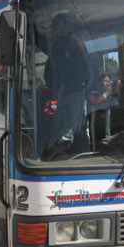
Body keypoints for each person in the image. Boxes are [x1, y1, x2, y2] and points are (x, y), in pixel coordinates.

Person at [41, 13, 92, 158]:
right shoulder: (56, 45)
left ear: (68, 27)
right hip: (63, 92)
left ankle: (67, 154)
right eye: (57, 25)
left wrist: (62, 88)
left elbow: (73, 71)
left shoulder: (71, 44)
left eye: (63, 25)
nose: (60, 28)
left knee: (71, 129)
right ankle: (73, 153)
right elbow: (53, 70)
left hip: (73, 92)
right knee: (67, 125)